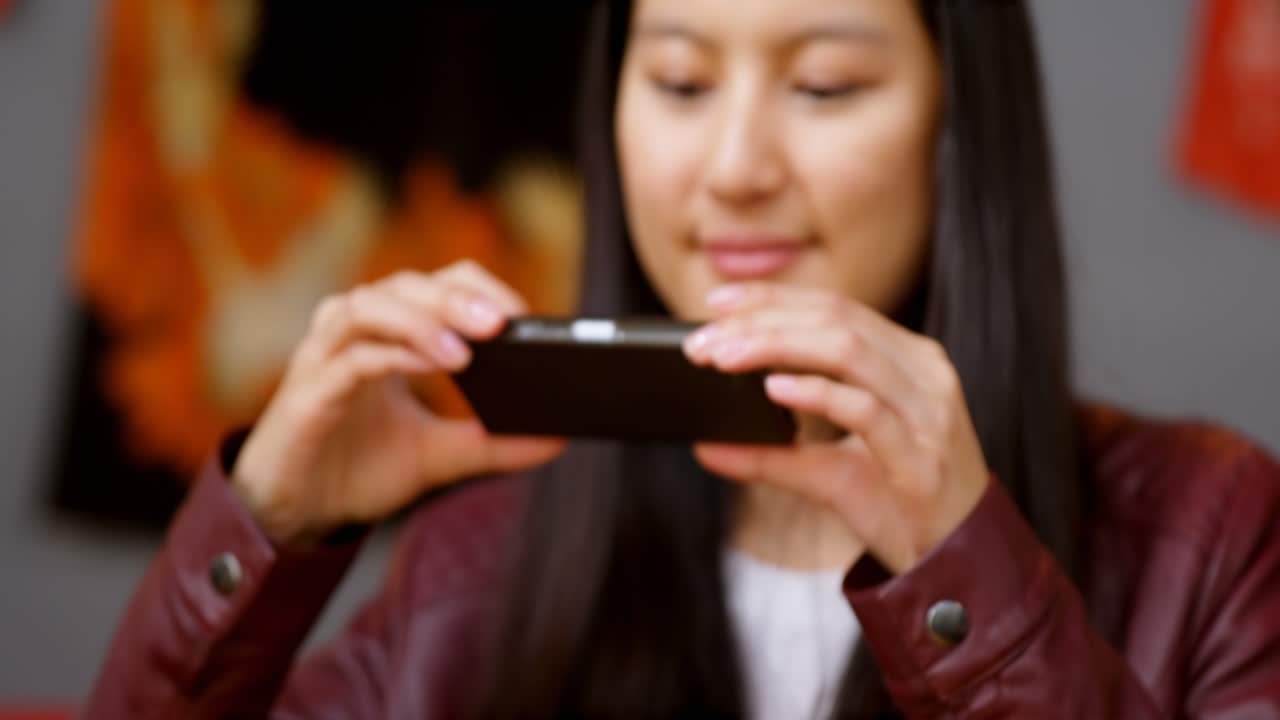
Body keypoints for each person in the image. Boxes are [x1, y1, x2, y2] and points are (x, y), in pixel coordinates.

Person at [86, 0, 1280, 717]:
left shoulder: (1206, 528)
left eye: (822, 84)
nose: (732, 167)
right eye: (678, 81)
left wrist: (970, 581)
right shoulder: (472, 572)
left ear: (956, 124)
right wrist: (265, 524)